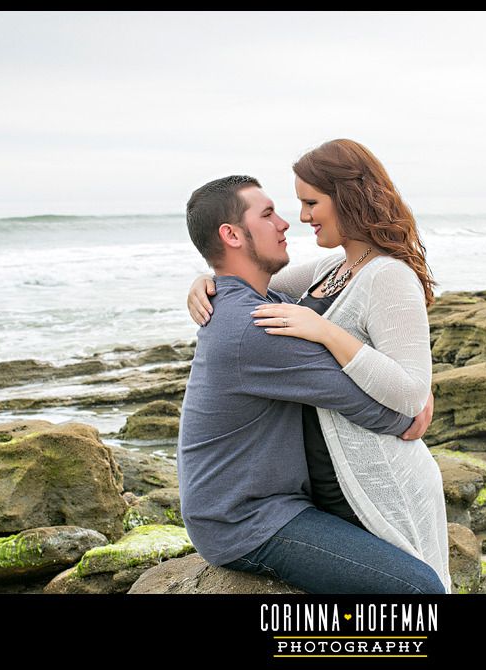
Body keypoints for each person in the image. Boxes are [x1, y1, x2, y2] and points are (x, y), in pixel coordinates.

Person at [187, 139, 451, 592]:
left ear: (346, 198)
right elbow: (245, 282)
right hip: (261, 512)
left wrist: (327, 331)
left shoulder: (378, 274)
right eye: (273, 213)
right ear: (233, 234)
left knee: (420, 588)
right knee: (417, 590)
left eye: (310, 202)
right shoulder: (329, 272)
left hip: (352, 482)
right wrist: (206, 280)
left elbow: (256, 283)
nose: (297, 218)